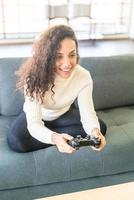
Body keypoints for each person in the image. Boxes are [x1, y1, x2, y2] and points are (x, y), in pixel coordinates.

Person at [7, 25, 107, 154]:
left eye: (72, 55)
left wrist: (94, 132)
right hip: (40, 115)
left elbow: (88, 114)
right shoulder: (33, 78)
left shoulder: (83, 76)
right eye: (58, 56)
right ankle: (55, 136)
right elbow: (34, 124)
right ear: (47, 57)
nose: (67, 64)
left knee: (100, 129)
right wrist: (54, 138)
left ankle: (55, 135)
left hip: (63, 114)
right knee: (16, 141)